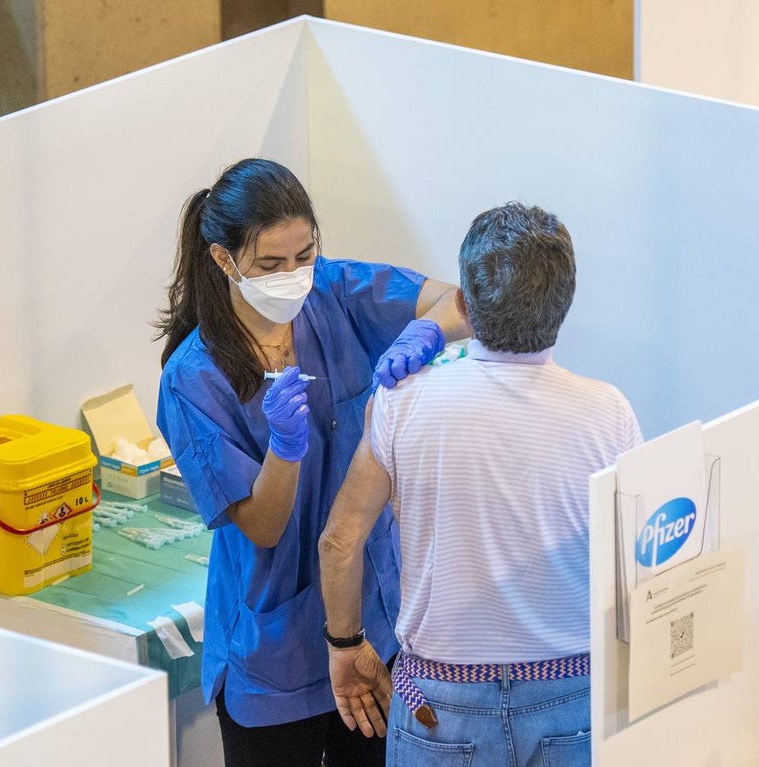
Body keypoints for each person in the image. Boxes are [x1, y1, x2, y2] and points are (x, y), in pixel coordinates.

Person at [154, 158, 469, 767]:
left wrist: (422, 335)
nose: (294, 276)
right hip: (275, 650)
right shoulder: (193, 379)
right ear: (224, 260)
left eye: (304, 254)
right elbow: (265, 527)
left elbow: (459, 302)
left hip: (369, 619)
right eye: (271, 265)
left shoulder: (334, 293)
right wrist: (284, 448)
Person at [318, 202, 643, 766]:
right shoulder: (609, 413)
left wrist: (345, 646)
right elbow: (636, 565)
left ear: (463, 305)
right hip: (574, 696)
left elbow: (340, 543)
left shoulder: (402, 400)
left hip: (441, 703)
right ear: (563, 305)